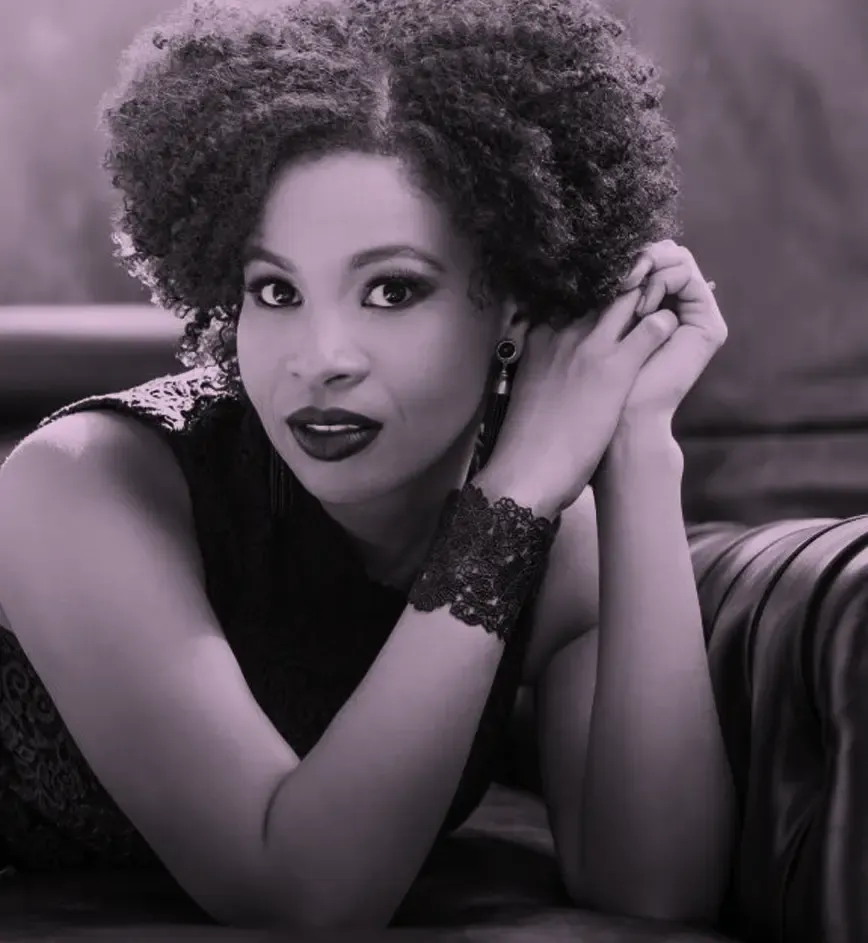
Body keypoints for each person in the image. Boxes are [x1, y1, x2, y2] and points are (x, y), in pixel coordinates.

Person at [0, 0, 735, 931]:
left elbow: (658, 892)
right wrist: (509, 504)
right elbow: (305, 897)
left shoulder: (553, 533)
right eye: (277, 290)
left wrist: (635, 447)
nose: (321, 355)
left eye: (392, 289)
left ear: (514, 310)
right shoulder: (78, 482)